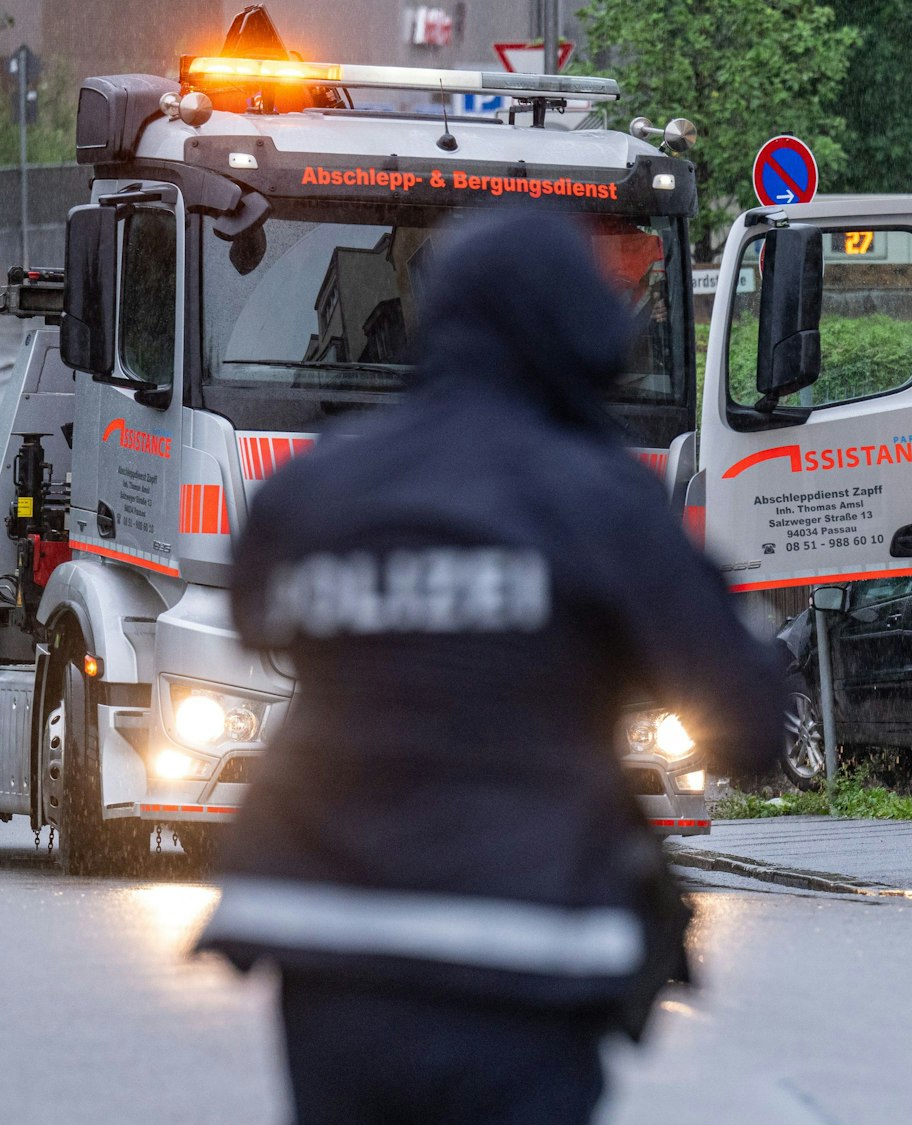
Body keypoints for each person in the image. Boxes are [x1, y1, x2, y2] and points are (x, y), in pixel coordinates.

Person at [197, 210, 785, 1124]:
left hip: (327, 944)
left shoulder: (316, 488)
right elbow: (746, 724)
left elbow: (251, 610)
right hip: (529, 951)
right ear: (583, 328)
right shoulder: (601, 499)